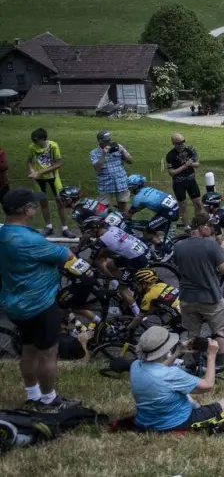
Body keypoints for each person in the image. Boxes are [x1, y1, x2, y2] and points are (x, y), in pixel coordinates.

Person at [1, 189, 79, 411]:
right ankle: (49, 400)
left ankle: (32, 395)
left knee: (28, 348)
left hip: (14, 301)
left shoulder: (3, 233)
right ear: (27, 210)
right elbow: (68, 256)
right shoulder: (29, 240)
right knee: (48, 351)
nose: (35, 209)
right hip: (39, 303)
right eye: (33, 206)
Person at [130, 326, 224, 431]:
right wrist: (211, 355)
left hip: (145, 421)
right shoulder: (172, 374)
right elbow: (208, 385)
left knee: (185, 393)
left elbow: (158, 369)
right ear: (165, 349)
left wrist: (177, 352)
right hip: (176, 423)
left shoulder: (135, 365)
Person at [171, 220, 224, 356]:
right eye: (209, 226)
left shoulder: (178, 246)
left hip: (187, 298)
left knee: (192, 333)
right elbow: (223, 270)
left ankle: (192, 363)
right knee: (218, 332)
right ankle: (221, 363)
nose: (212, 229)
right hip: (210, 297)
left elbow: (176, 264)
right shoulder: (211, 245)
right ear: (200, 227)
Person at [26, 128, 72, 237]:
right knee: (43, 202)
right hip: (38, 179)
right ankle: (48, 226)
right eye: (33, 140)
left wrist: (40, 172)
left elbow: (58, 164)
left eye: (36, 140)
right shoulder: (32, 147)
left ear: (43, 139)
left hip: (53, 177)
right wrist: (32, 171)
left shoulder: (53, 146)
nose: (33, 142)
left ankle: (65, 228)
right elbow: (29, 161)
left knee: (60, 201)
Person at [91, 129, 134, 214]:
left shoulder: (118, 147)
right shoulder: (94, 153)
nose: (108, 142)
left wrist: (122, 151)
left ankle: (125, 224)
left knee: (123, 207)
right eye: (106, 141)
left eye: (109, 140)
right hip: (105, 184)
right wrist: (103, 154)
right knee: (102, 209)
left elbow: (131, 161)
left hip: (121, 181)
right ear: (100, 141)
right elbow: (97, 168)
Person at [163, 133, 201, 226]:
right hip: (179, 183)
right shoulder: (170, 155)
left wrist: (191, 164)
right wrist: (184, 166)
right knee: (183, 206)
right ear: (174, 143)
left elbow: (197, 164)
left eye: (183, 141)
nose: (182, 144)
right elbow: (171, 173)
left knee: (198, 203)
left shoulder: (189, 150)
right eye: (179, 143)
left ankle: (197, 223)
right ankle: (186, 226)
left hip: (191, 180)